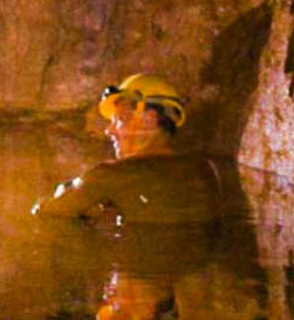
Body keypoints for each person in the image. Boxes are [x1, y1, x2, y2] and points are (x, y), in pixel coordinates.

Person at [31, 73, 222, 225]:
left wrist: (67, 193)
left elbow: (46, 213)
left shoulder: (110, 175)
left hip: (135, 273)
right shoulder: (205, 171)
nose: (109, 130)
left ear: (149, 119)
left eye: (119, 120)